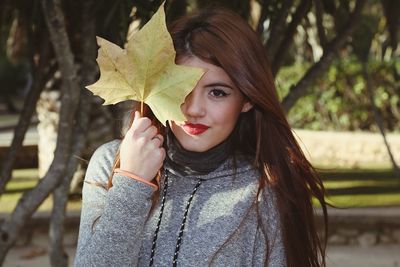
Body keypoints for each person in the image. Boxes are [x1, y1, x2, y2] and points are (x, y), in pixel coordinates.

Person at [74, 7, 328, 267]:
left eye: (217, 92)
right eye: (181, 89)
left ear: (247, 99)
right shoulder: (110, 164)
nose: (193, 110)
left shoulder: (267, 190)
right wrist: (132, 183)